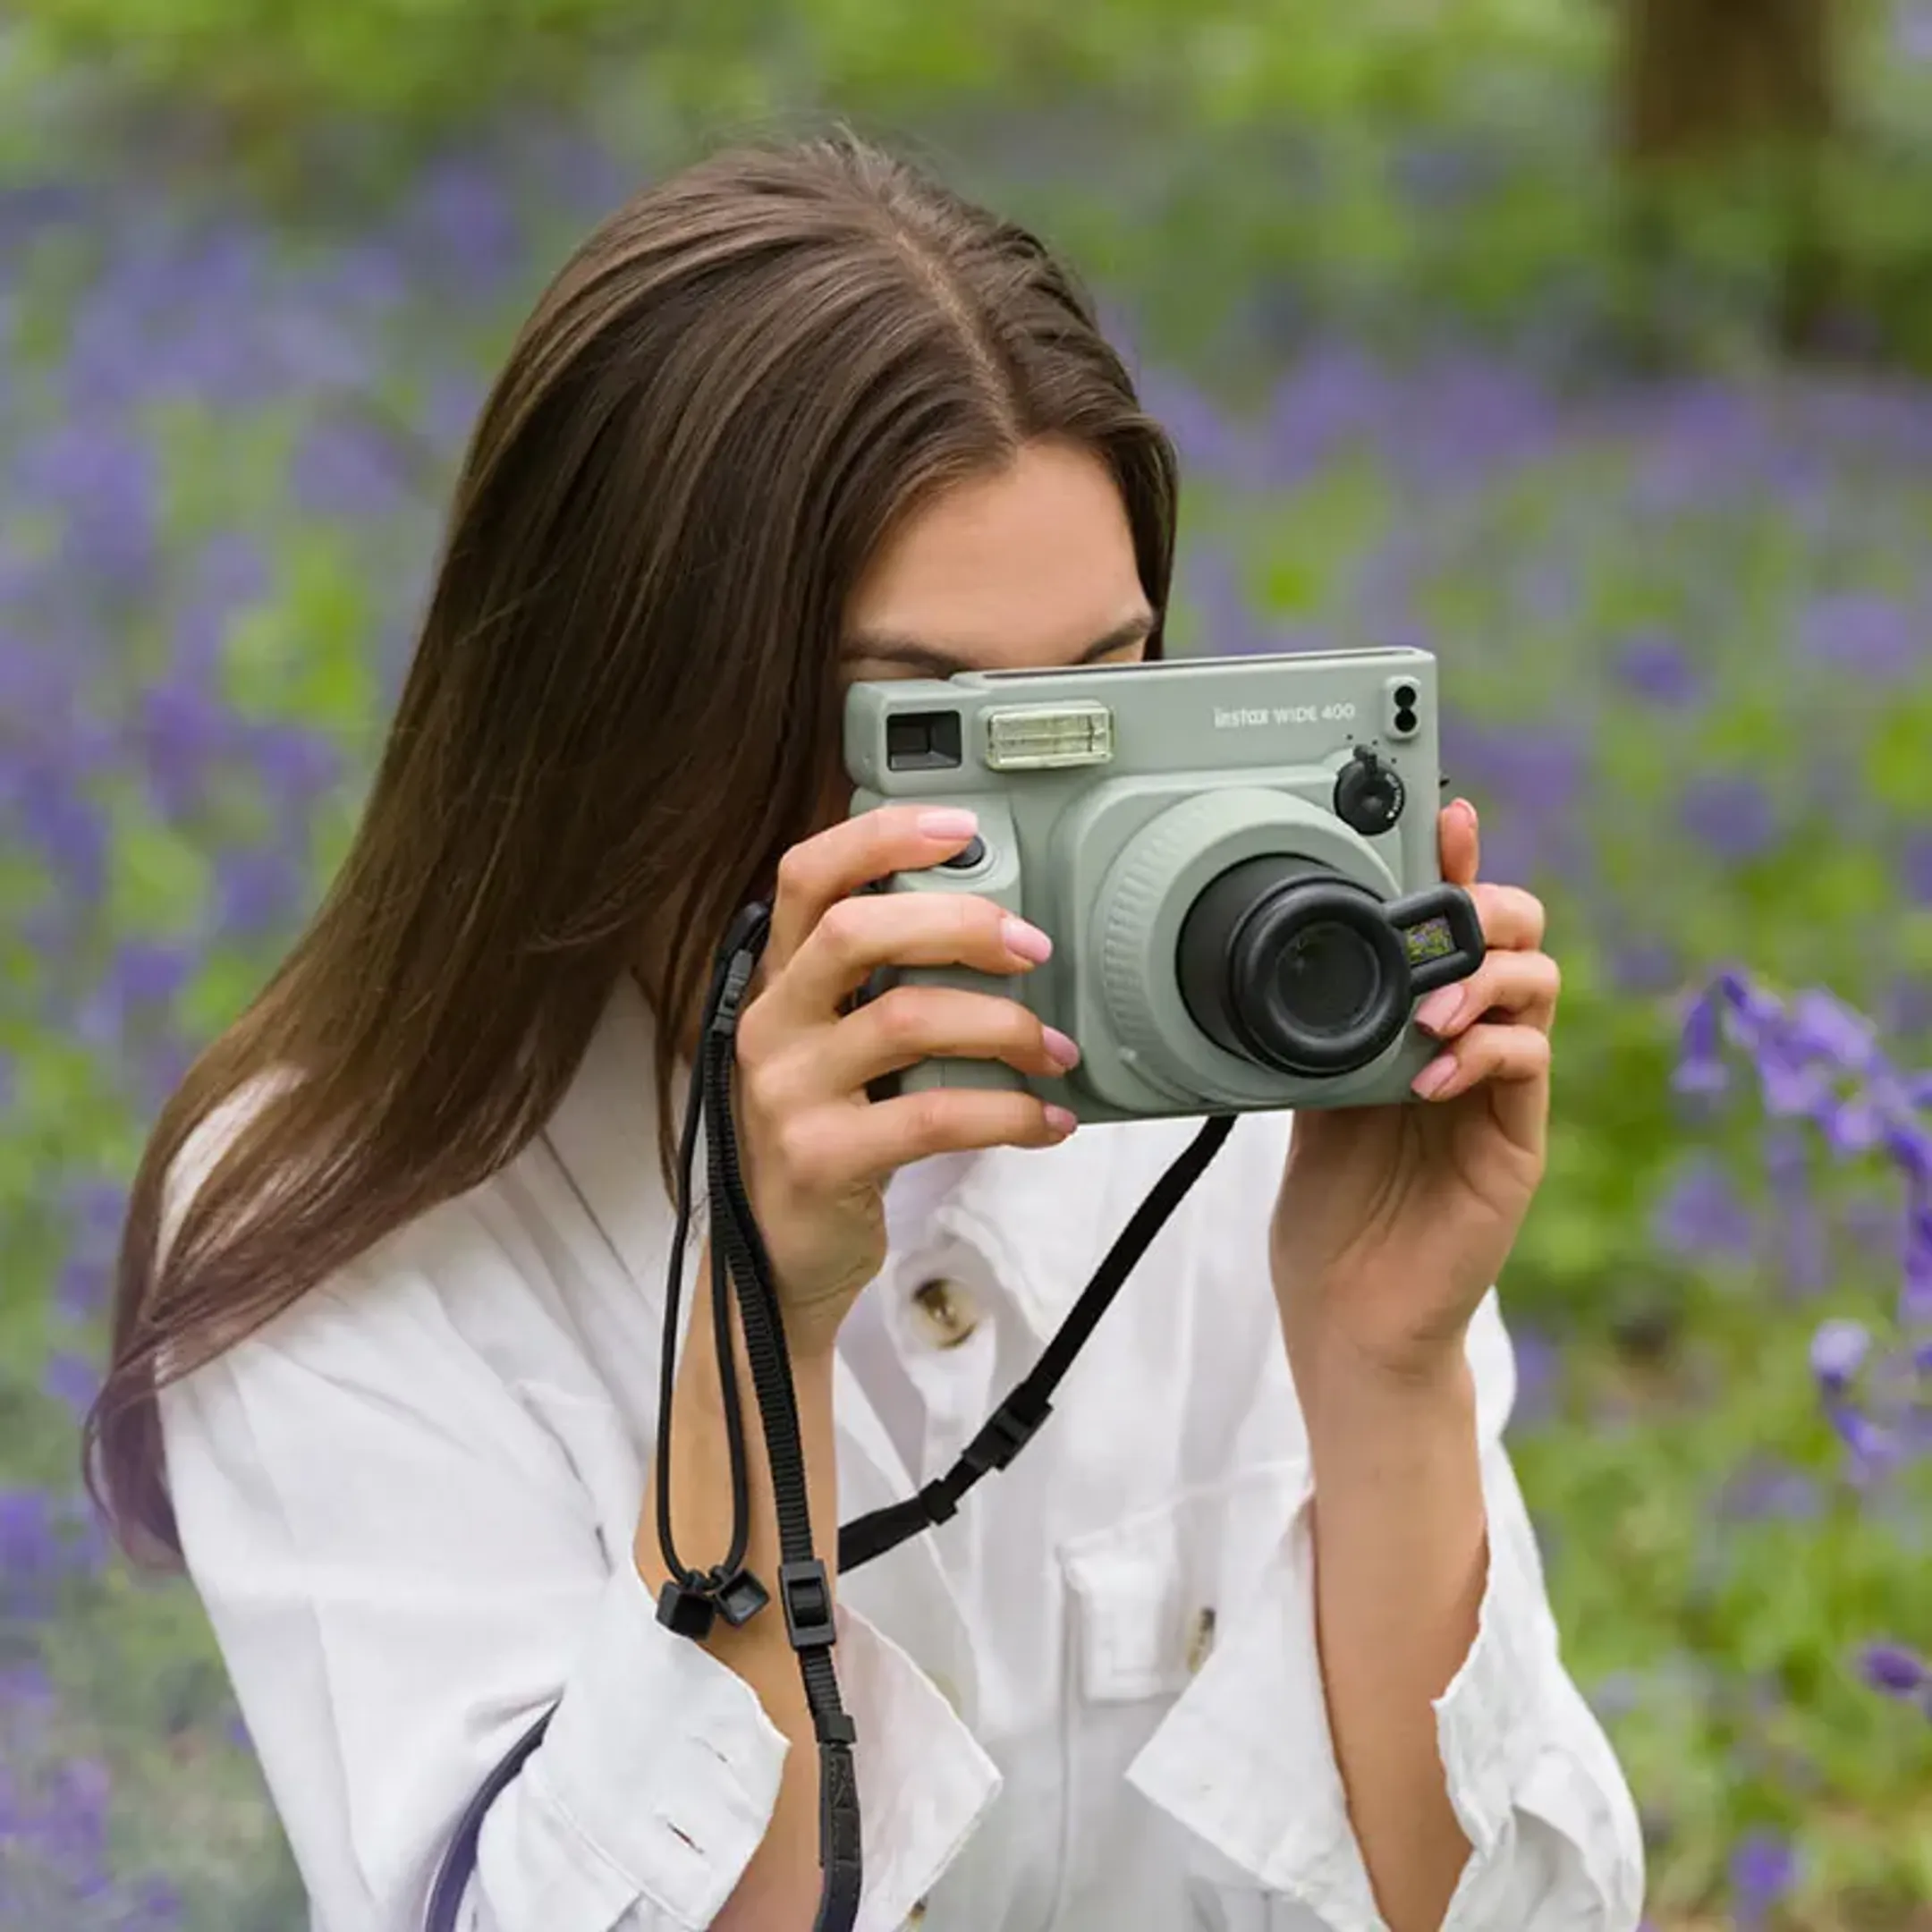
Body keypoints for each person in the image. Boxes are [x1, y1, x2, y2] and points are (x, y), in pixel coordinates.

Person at [87, 131, 1646, 1932]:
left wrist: (1387, 1372)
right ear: (616, 722)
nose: (1028, 849)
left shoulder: (1233, 1110)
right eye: (920, 732)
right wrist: (759, 1327)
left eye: (1102, 702)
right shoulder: (351, 1224)